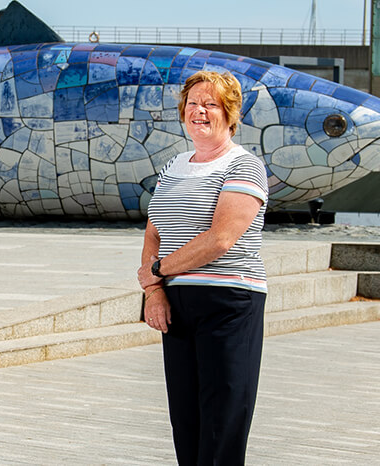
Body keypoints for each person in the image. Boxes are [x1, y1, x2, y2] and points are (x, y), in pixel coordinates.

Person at [136, 70, 268, 465]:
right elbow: (153, 232)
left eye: (211, 104)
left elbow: (221, 239)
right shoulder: (174, 165)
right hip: (176, 304)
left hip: (228, 302)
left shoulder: (244, 166)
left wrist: (158, 271)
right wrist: (154, 292)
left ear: (230, 114)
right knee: (187, 419)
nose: (200, 111)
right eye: (193, 103)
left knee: (222, 418)